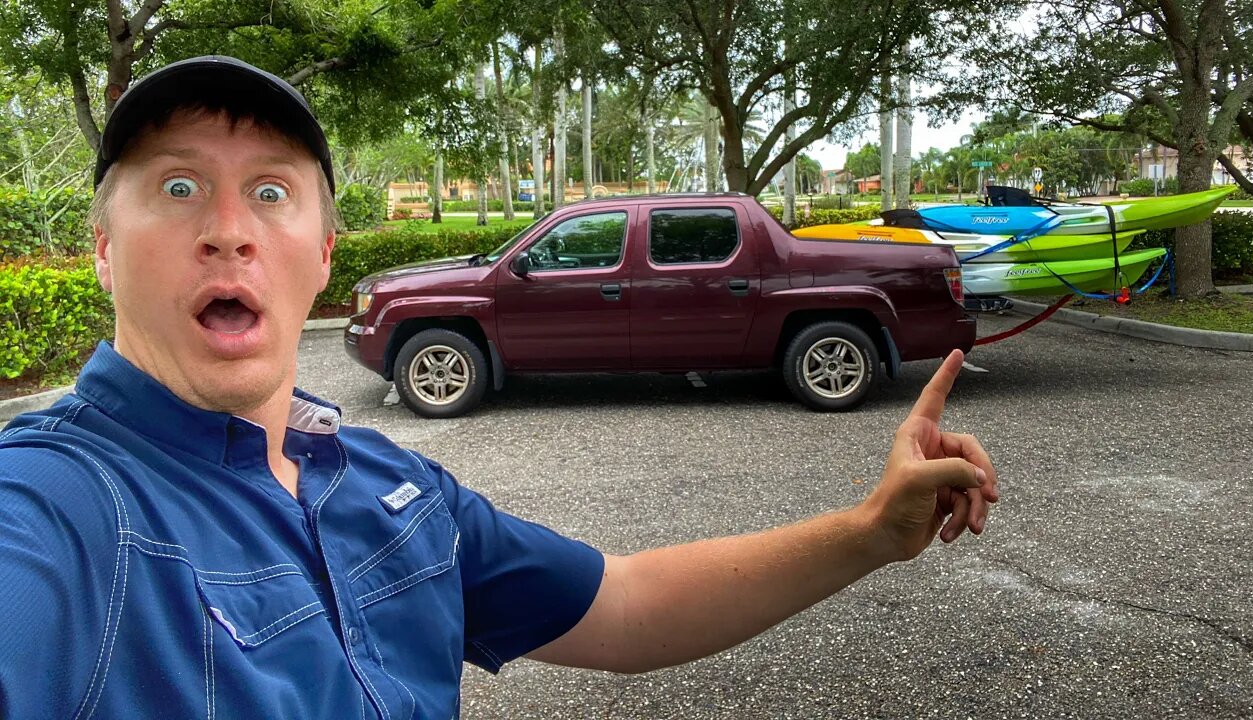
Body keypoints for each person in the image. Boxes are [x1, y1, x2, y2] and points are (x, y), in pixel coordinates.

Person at [0, 56, 999, 719]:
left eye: (271, 191)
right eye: (177, 187)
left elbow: (628, 603)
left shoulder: (392, 492)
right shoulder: (60, 509)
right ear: (99, 248)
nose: (229, 225)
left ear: (321, 256)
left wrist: (869, 532)